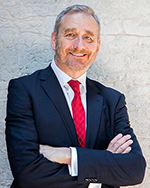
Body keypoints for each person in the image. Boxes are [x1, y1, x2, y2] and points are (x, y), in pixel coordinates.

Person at [5, 4, 146, 188]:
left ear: (97, 46)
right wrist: (104, 166)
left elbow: (134, 169)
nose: (79, 45)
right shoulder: (24, 90)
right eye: (70, 35)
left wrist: (68, 155)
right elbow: (27, 172)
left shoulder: (113, 100)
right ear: (55, 40)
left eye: (88, 37)